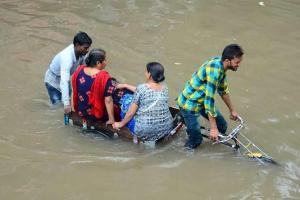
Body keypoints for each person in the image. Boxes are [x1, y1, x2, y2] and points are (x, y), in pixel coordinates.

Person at [177, 44, 244, 149]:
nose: (238, 65)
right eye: (237, 62)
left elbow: (223, 90)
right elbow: (209, 101)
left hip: (202, 101)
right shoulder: (214, 72)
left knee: (222, 126)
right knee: (196, 140)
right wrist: (213, 128)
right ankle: (187, 148)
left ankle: (192, 127)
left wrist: (232, 110)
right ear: (227, 61)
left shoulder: (221, 66)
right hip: (189, 104)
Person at [71, 48, 135, 125]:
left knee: (115, 87)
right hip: (95, 114)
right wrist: (112, 120)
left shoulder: (79, 71)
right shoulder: (103, 77)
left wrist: (73, 109)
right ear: (98, 63)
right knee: (122, 94)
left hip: (82, 111)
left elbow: (73, 90)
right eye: (104, 60)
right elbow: (108, 101)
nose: (106, 62)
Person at [112, 62, 173, 141]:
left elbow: (131, 113)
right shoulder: (165, 88)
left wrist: (120, 124)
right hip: (166, 128)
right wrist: (126, 85)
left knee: (126, 99)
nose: (145, 73)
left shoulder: (141, 88)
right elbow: (143, 91)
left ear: (149, 74)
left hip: (144, 130)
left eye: (146, 71)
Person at [44, 31, 92, 113]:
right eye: (85, 48)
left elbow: (85, 69)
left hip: (64, 77)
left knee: (70, 99)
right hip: (53, 81)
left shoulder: (82, 52)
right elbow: (64, 81)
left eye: (88, 47)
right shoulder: (67, 57)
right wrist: (66, 104)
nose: (88, 50)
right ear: (77, 45)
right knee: (57, 104)